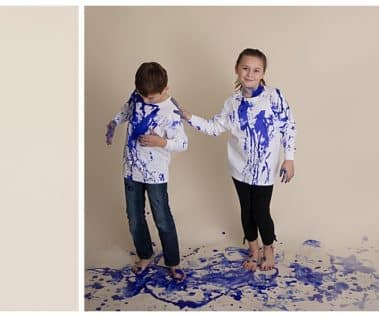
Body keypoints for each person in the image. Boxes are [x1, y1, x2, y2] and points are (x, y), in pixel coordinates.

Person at [177, 48, 297, 271]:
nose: (250, 74)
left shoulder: (274, 97)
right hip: (239, 167)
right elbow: (214, 128)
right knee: (246, 211)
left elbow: (288, 126)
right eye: (245, 68)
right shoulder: (231, 103)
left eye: (256, 70)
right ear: (237, 70)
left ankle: (268, 248)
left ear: (263, 73)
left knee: (261, 212)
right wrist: (188, 117)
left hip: (264, 168)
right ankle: (253, 250)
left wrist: (289, 158)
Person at [105, 62, 188, 281]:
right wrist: (114, 122)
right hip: (131, 170)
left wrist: (161, 142)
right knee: (134, 217)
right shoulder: (138, 96)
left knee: (162, 217)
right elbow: (127, 108)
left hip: (155, 174)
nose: (145, 100)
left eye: (151, 98)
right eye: (142, 96)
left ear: (166, 89)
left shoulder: (171, 112)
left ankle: (173, 261)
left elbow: (182, 143)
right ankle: (145, 254)